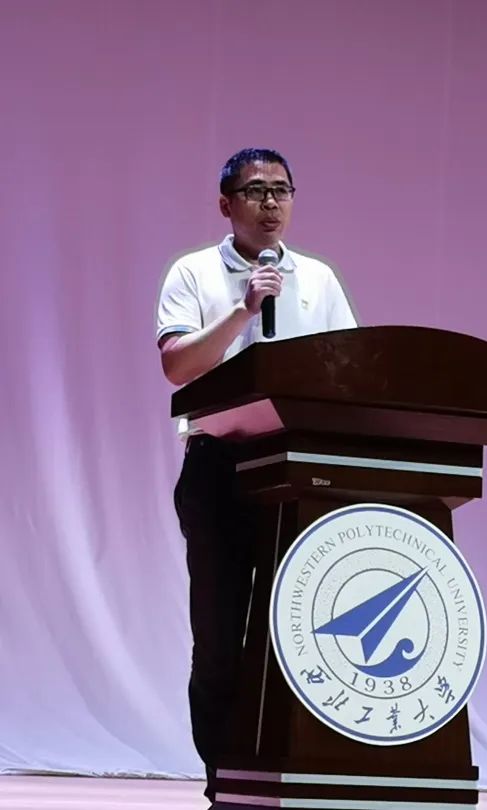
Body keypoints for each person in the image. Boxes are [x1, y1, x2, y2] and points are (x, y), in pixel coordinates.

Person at [156, 148, 357, 803]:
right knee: (219, 636)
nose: (270, 203)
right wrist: (244, 310)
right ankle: (223, 781)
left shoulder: (318, 278)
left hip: (297, 473)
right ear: (226, 204)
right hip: (218, 470)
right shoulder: (193, 272)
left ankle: (286, 773)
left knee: (291, 633)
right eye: (255, 191)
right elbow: (178, 367)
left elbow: (347, 370)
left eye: (281, 190)